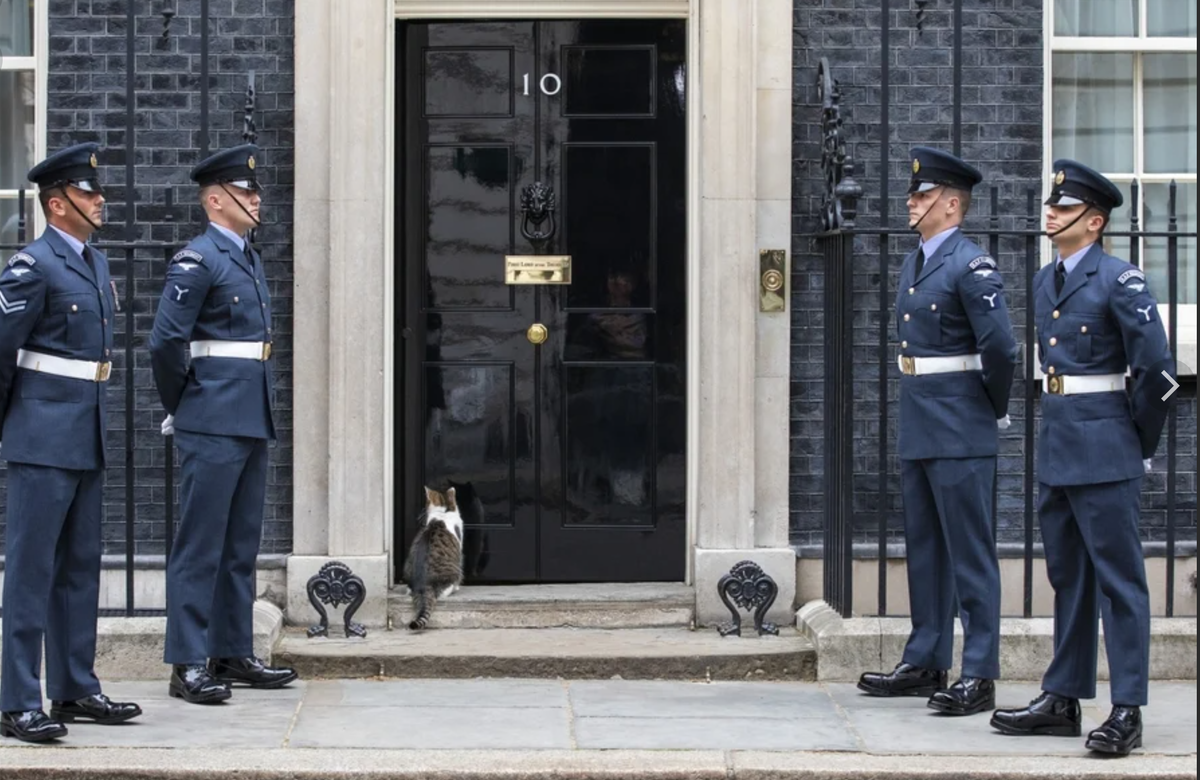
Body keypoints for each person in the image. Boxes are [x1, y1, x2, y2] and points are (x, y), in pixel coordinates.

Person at [990, 161, 1174, 756]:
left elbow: (1157, 373)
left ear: (1094, 222)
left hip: (1107, 446)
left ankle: (1127, 709)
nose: (1051, 213)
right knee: (1068, 577)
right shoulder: (1046, 280)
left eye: (1064, 207)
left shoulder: (1120, 281)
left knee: (1121, 584)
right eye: (1051, 205)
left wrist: (1135, 442)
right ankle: (1063, 697)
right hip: (1059, 443)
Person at [858, 147, 1018, 717]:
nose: (912, 201)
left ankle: (979, 672)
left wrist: (990, 408)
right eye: (913, 194)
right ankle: (926, 658)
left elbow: (1001, 348)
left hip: (960, 422)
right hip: (921, 417)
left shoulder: (970, 265)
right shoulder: (917, 261)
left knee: (969, 553)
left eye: (923, 195)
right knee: (925, 547)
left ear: (951, 205)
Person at [0, 142, 142, 742]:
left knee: (80, 568)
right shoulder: (32, 266)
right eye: (88, 192)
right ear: (57, 203)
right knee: (30, 571)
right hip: (40, 434)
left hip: (84, 429)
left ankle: (75, 687)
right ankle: (16, 700)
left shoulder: (94, 263)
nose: (99, 199)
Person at [149, 143, 297, 704]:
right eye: (244, 191)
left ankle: (231, 651)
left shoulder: (246, 256)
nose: (256, 198)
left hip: (249, 413)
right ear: (215, 200)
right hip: (210, 415)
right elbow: (165, 342)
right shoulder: (199, 259)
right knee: (200, 544)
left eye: (256, 190)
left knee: (240, 544)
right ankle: (187, 661)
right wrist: (184, 404)